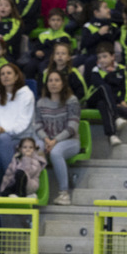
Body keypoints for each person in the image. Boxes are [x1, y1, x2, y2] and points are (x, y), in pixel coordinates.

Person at [35, 69, 82, 205]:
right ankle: (32, 190)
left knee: (56, 152)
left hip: (69, 141)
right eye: (50, 80)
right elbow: (37, 125)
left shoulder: (72, 100)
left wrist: (55, 141)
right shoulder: (41, 102)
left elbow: (72, 126)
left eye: (57, 80)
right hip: (47, 139)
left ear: (63, 83)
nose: (53, 83)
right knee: (34, 149)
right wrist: (46, 140)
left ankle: (64, 193)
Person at [0, 64, 36, 186]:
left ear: (17, 76)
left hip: (21, 137)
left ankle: (11, 182)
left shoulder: (26, 94)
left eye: (9, 73)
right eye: (2, 74)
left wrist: (3, 130)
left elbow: (23, 123)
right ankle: (2, 189)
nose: (5, 76)